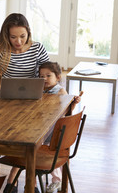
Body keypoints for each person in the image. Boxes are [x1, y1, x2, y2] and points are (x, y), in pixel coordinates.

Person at [0, 13, 49, 193]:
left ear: (28, 32)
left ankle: (15, 181)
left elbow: (50, 73)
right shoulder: (0, 50)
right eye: (13, 37)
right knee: (19, 138)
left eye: (22, 36)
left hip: (34, 104)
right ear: (6, 35)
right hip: (7, 106)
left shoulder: (37, 48)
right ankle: (29, 184)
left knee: (35, 137)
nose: (18, 42)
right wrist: (0, 87)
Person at [39, 61, 82, 193]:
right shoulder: (39, 89)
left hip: (55, 130)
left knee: (53, 153)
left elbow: (67, 111)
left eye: (48, 76)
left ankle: (56, 181)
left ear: (58, 77)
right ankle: (55, 180)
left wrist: (73, 103)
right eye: (41, 76)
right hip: (44, 126)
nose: (44, 79)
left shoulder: (60, 91)